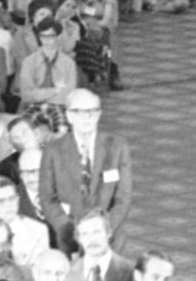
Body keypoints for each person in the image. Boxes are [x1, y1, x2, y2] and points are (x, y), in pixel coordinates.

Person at [38, 89, 132, 251]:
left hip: (109, 236)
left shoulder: (117, 146)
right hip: (69, 236)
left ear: (99, 114)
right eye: (79, 112)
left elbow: (123, 197)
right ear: (69, 116)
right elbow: (47, 197)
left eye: (92, 111)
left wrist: (103, 231)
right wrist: (70, 230)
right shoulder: (53, 150)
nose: (87, 117)